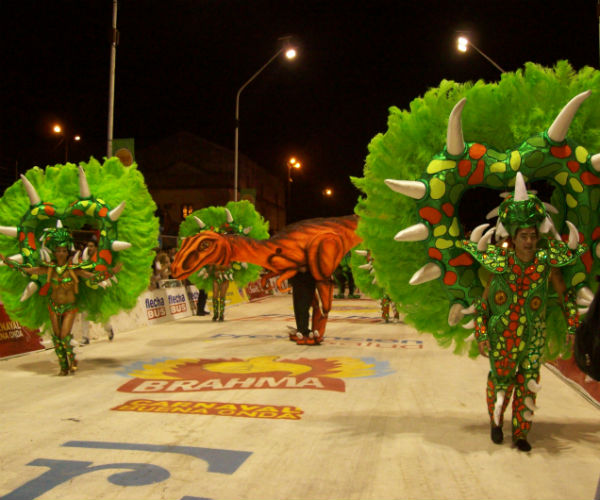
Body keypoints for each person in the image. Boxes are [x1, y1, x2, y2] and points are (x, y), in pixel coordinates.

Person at [464, 173, 583, 452]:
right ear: (514, 238)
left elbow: (565, 295)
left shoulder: (546, 261)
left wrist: (573, 327)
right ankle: (496, 422)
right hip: (502, 334)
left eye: (532, 236)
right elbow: (484, 304)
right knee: (501, 380)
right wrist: (482, 334)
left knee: (529, 382)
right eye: (524, 237)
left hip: (534, 335)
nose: (529, 241)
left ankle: (521, 433)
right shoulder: (500, 264)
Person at [1, 227, 113, 375]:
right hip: (54, 306)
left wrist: (112, 272)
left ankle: (71, 360)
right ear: (54, 252)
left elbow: (92, 277)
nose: (61, 253)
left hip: (69, 307)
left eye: (64, 251)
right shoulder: (49, 269)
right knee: (57, 338)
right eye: (58, 251)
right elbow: (28, 270)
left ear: (67, 253)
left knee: (64, 336)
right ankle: (64, 366)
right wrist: (7, 261)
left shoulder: (74, 269)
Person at [80, 237, 115, 344]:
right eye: (88, 246)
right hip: (87, 291)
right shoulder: (84, 257)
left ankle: (109, 329)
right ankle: (85, 337)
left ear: (96, 248)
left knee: (101, 314)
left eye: (91, 246)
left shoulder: (100, 259)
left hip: (99, 290)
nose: (89, 248)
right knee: (84, 313)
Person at [288, 267, 317, 343]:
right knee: (299, 305)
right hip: (298, 278)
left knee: (306, 305)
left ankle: (304, 329)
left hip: (310, 278)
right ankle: (301, 329)